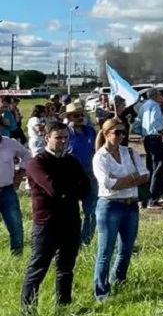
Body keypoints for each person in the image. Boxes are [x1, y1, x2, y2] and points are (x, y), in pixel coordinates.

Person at [21, 121, 90, 312]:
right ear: (47, 138)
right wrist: (70, 190)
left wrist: (70, 191)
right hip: (46, 223)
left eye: (66, 137)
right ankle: (28, 309)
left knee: (66, 266)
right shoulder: (37, 162)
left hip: (71, 219)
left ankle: (64, 305)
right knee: (38, 268)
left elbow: (86, 186)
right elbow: (54, 188)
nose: (63, 141)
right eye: (58, 137)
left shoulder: (71, 160)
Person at [91, 118, 148, 301]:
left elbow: (145, 174)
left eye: (124, 132)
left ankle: (119, 280)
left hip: (131, 204)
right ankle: (101, 290)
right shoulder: (100, 157)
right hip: (110, 205)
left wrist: (121, 180)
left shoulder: (130, 152)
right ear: (106, 133)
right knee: (105, 250)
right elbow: (108, 184)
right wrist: (131, 178)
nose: (121, 136)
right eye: (117, 132)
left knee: (126, 248)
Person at [64, 101, 98, 245]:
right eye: (76, 115)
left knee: (92, 212)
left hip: (90, 176)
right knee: (70, 213)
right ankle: (70, 242)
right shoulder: (65, 133)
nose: (80, 117)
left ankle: (85, 242)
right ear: (70, 117)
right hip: (71, 178)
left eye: (81, 114)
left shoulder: (90, 131)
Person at [137, 88, 163, 209]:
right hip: (155, 138)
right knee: (160, 165)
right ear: (156, 95)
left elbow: (137, 124)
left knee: (151, 167)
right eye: (160, 94)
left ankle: (148, 197)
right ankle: (153, 197)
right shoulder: (155, 106)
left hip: (146, 138)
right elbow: (157, 123)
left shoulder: (142, 106)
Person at [0, 125, 31, 255]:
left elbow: (26, 154)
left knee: (15, 225)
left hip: (7, 191)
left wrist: (21, 172)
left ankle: (17, 256)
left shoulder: (9, 143)